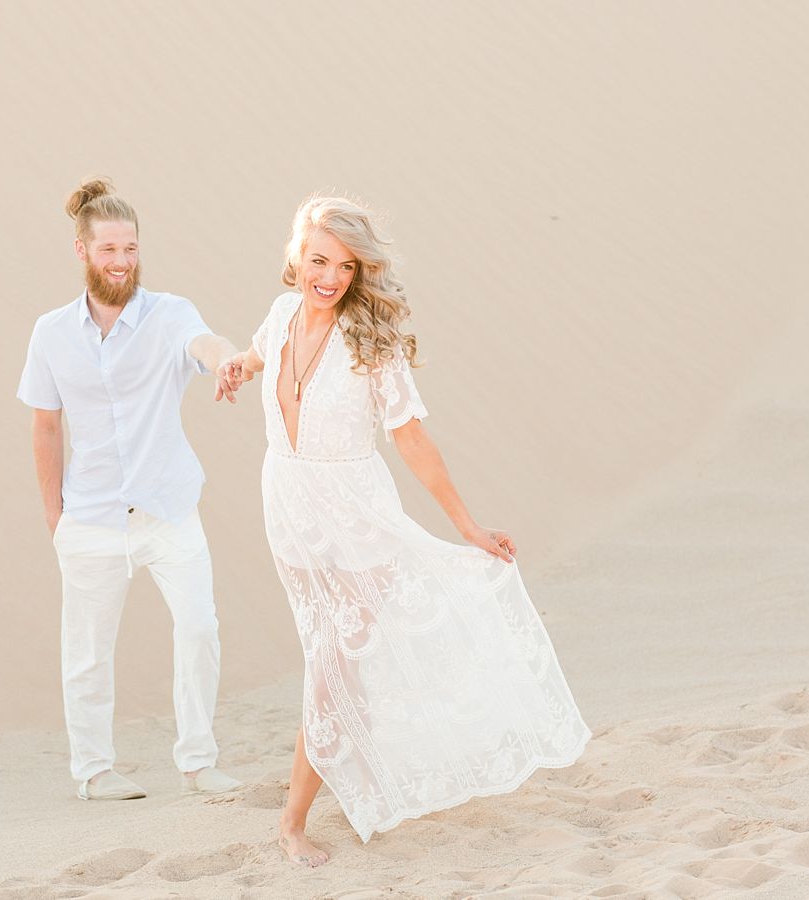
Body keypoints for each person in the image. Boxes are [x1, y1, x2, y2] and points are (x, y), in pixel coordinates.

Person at [216, 196, 591, 865]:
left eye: (346, 266)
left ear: (361, 273)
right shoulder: (279, 317)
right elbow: (255, 355)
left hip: (357, 511)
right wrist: (236, 368)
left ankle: (293, 819)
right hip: (291, 506)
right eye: (319, 260)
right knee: (330, 654)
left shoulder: (371, 343)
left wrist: (467, 525)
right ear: (296, 257)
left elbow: (412, 441)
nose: (329, 276)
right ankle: (357, 774)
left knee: (334, 664)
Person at [18, 177, 243, 801]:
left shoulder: (170, 314)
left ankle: (198, 762)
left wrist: (226, 359)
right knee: (88, 653)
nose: (121, 262)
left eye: (130, 249)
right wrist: (53, 517)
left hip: (169, 510)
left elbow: (206, 343)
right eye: (109, 249)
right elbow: (44, 423)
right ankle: (94, 771)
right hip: (88, 518)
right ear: (82, 252)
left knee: (200, 628)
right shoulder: (51, 332)